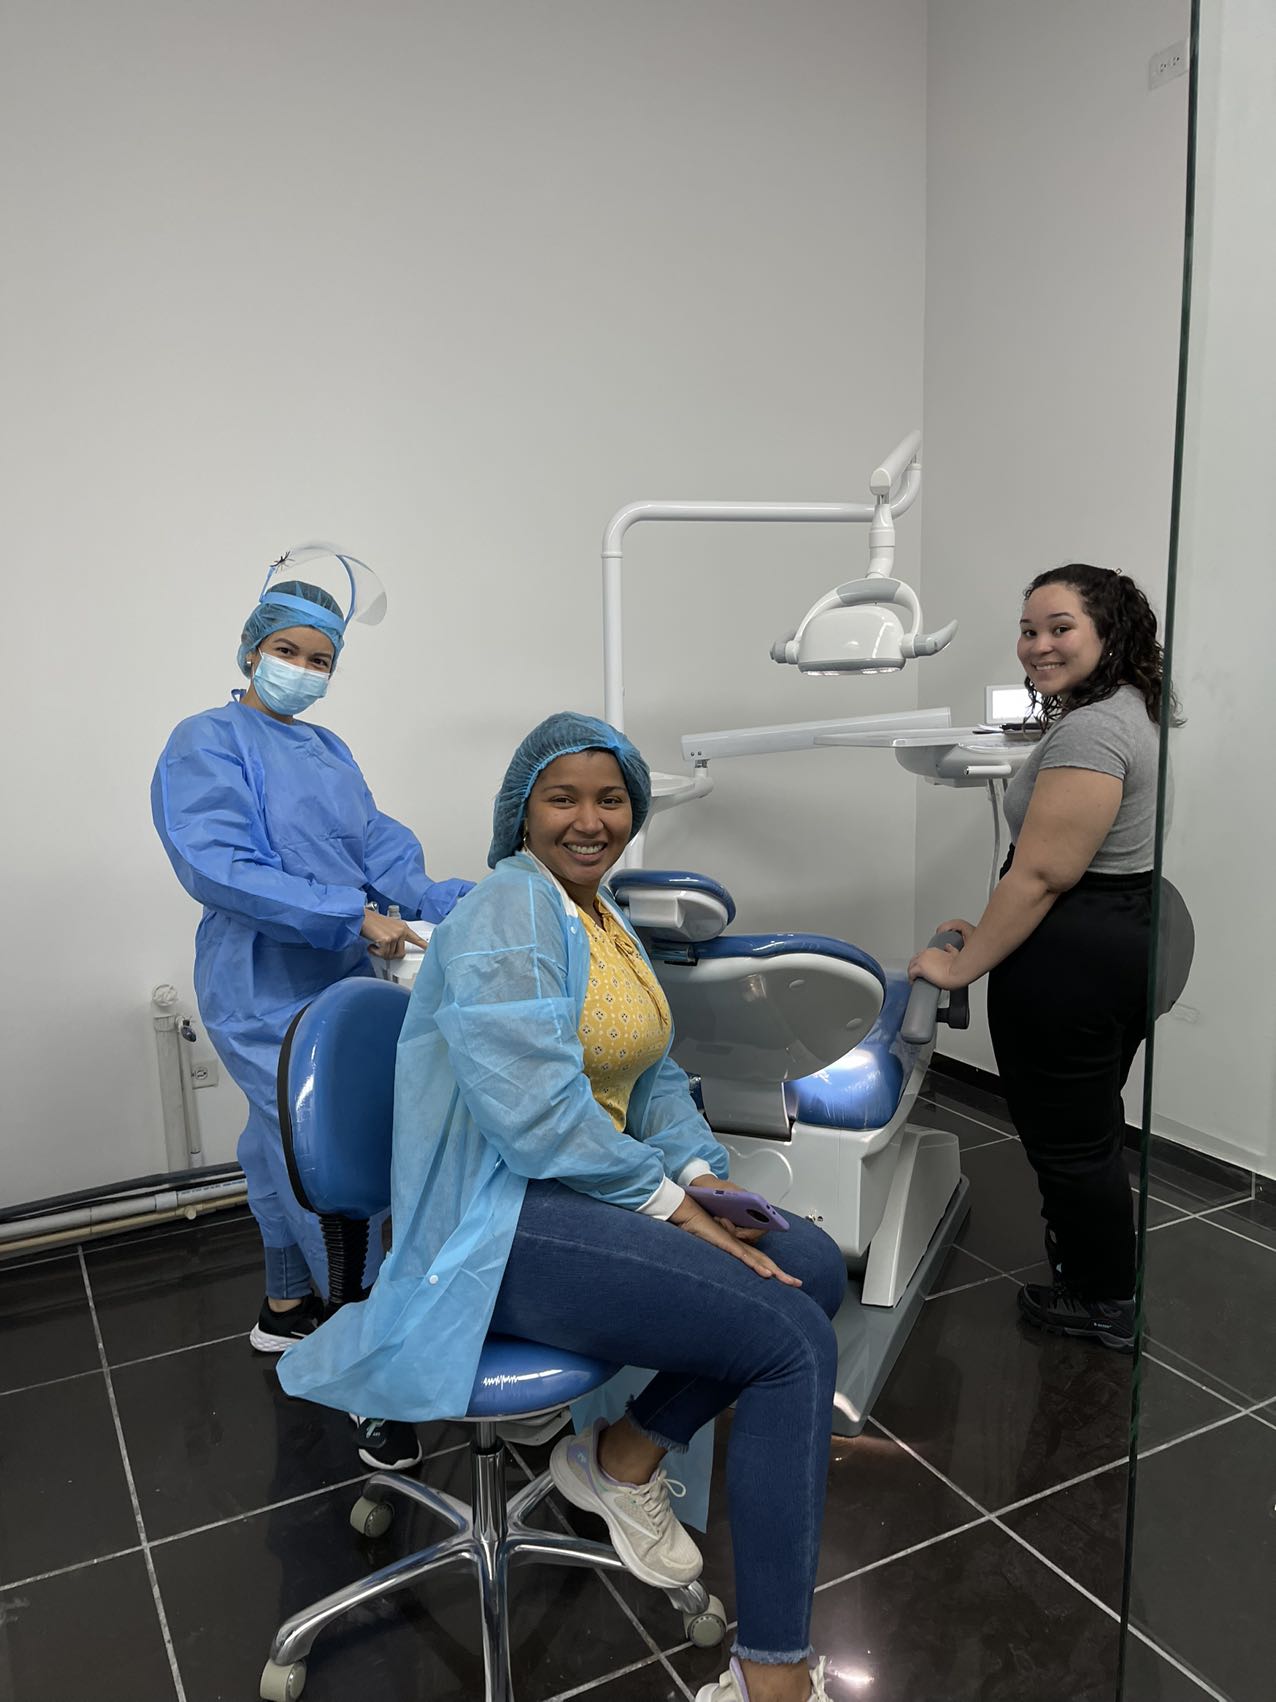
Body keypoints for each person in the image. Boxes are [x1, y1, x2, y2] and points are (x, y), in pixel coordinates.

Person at [279, 711, 847, 1702]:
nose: (590, 819)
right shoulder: (509, 909)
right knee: (789, 1343)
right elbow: (537, 1119)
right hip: (494, 1220)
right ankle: (771, 1679)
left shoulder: (599, 911)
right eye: (563, 797)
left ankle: (620, 1456)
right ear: (521, 811)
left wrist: (704, 1174)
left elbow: (652, 1071)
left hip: (576, 1193)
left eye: (611, 797)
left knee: (810, 1263)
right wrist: (674, 1207)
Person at [152, 558, 473, 1467]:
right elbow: (217, 862)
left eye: (320, 657)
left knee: (272, 1143)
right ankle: (368, 1359)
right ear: (251, 650)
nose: (301, 667)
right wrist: (348, 913)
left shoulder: (328, 752)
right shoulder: (206, 740)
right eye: (286, 649)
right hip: (260, 976)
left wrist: (449, 899)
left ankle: (286, 1306)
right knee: (326, 1156)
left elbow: (378, 846)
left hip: (337, 969)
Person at [909, 563, 1175, 1352]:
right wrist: (985, 926)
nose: (1039, 644)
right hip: (1117, 929)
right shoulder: (1129, 708)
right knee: (1089, 1123)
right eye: (1029, 629)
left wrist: (962, 965)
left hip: (1076, 949)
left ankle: (1103, 1303)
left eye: (1061, 628)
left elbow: (1043, 873)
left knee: (1070, 1141)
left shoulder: (1094, 729)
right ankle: (1096, 1274)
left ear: (1107, 631)